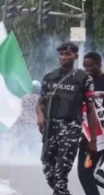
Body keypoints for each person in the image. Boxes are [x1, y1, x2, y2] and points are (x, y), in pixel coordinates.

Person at [36, 42, 97, 195]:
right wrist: (40, 116)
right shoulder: (50, 77)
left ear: (75, 56)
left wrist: (93, 140)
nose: (64, 57)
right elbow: (40, 102)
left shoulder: (84, 79)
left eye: (68, 55)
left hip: (70, 129)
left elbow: (90, 110)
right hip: (50, 130)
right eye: (62, 54)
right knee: (49, 171)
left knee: (60, 174)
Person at [78, 51, 104, 195]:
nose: (87, 69)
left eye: (90, 66)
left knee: (97, 174)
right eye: (85, 66)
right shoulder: (83, 83)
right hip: (86, 138)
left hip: (102, 138)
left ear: (99, 64)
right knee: (84, 174)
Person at [12, 80, 40, 153]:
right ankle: (28, 149)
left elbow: (22, 107)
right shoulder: (39, 98)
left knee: (24, 133)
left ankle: (19, 147)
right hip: (34, 119)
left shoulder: (25, 97)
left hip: (23, 118)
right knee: (31, 134)